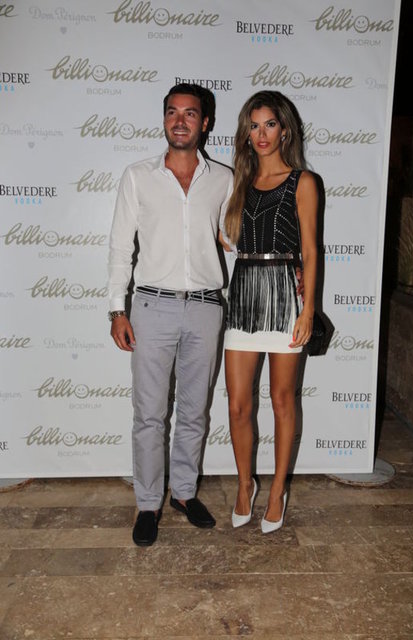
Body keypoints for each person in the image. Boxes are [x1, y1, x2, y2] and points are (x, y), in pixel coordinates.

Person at [108, 83, 233, 546]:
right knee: (149, 414)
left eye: (190, 113)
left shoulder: (224, 179)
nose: (180, 121)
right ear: (164, 119)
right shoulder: (137, 176)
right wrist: (116, 309)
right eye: (172, 113)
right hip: (151, 306)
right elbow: (120, 247)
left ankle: (183, 493)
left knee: (195, 410)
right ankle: (147, 503)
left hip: (206, 307)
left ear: (205, 122)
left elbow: (233, 238)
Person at [221, 90, 318, 534]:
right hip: (243, 292)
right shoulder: (236, 184)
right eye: (254, 126)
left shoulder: (303, 182)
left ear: (285, 131)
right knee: (238, 404)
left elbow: (311, 251)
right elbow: (222, 235)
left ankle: (277, 489)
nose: (261, 134)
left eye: (270, 125)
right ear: (246, 133)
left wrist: (308, 309)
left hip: (284, 295)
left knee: (282, 400)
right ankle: (246, 484)